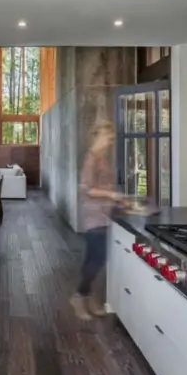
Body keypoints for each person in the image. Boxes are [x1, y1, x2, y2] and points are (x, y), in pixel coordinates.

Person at [70, 120, 127, 321]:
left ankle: (89, 297)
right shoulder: (91, 159)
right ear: (98, 136)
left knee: (93, 259)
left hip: (104, 214)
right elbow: (86, 188)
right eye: (108, 137)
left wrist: (116, 199)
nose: (110, 141)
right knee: (97, 259)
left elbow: (105, 184)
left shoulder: (101, 157)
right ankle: (79, 297)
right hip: (94, 216)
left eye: (112, 138)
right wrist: (111, 195)